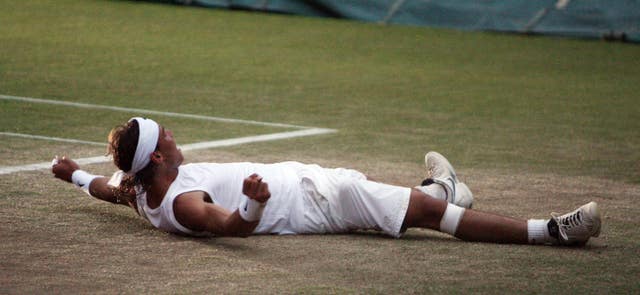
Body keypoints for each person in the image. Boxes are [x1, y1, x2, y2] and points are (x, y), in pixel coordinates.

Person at [51, 117, 601, 246]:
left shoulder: (138, 189)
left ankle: (444, 189)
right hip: (321, 203)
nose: (172, 134)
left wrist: (73, 174)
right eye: (165, 134)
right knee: (429, 218)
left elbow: (105, 185)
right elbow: (229, 227)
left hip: (310, 182)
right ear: (159, 154)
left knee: (415, 203)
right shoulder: (182, 201)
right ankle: (549, 230)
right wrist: (251, 205)